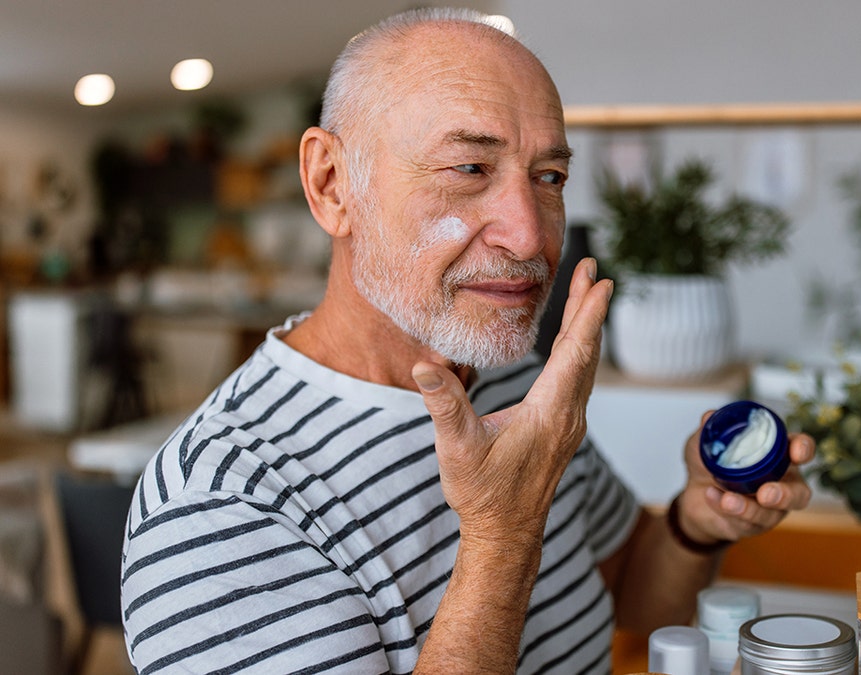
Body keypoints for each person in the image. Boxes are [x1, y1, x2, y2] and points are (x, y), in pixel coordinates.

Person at [120, 8, 815, 673]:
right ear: (331, 185)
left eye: (549, 177)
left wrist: (696, 521)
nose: (532, 234)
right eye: (469, 169)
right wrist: (503, 531)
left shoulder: (506, 375)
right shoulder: (218, 505)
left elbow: (632, 589)